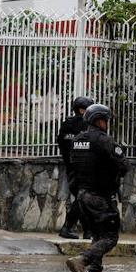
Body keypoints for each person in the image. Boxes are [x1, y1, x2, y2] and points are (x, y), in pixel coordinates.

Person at [66, 103, 129, 272]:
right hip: (100, 196)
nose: (107, 124)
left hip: (82, 196)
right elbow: (124, 166)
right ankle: (81, 260)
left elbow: (73, 169)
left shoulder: (77, 140)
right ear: (99, 121)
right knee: (110, 237)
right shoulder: (104, 140)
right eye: (106, 120)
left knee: (97, 236)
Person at [56, 96, 94, 239]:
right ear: (82, 110)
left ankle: (88, 231)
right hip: (83, 169)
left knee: (82, 199)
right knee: (82, 199)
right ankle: (67, 228)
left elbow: (61, 143)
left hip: (71, 167)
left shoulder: (67, 124)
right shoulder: (85, 126)